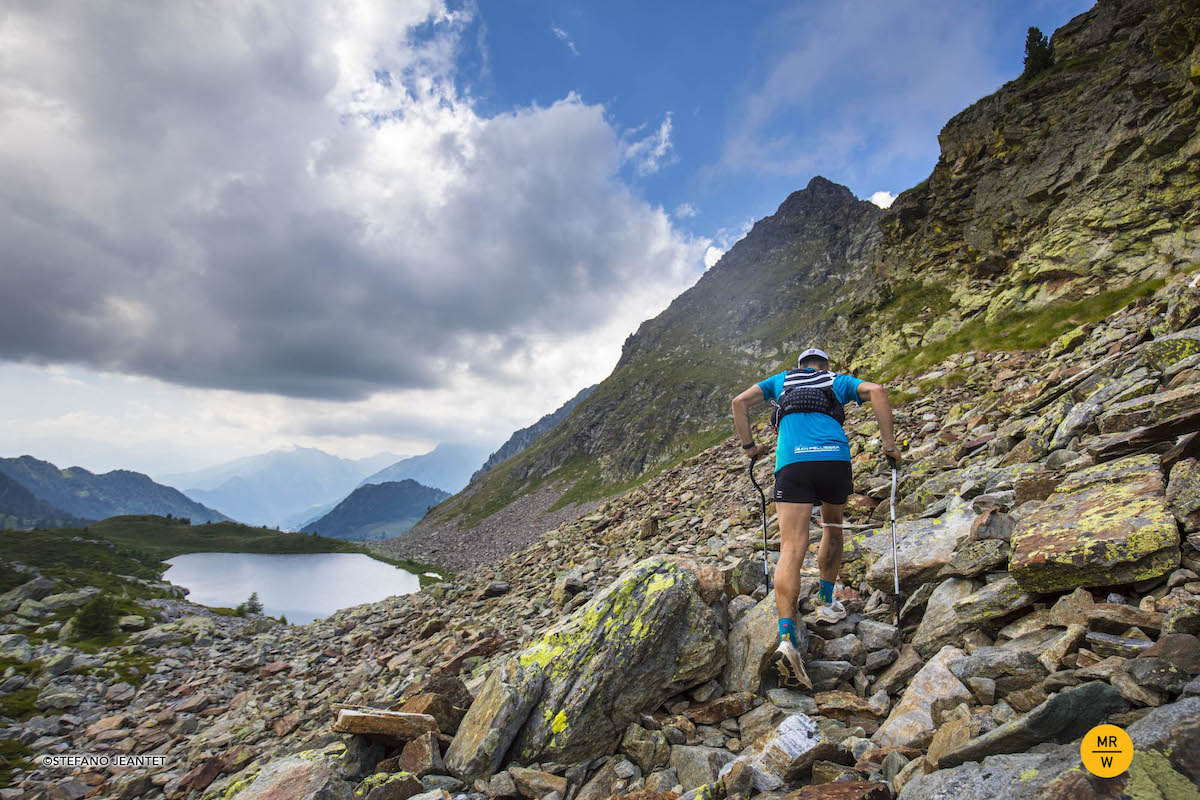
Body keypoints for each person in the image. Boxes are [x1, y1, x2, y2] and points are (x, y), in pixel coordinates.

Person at [731, 347, 900, 689]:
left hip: (793, 462)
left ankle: (786, 639)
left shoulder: (781, 381)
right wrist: (889, 445)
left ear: (799, 368)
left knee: (793, 547)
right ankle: (826, 601)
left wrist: (750, 447)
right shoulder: (837, 381)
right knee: (833, 529)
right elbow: (878, 392)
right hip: (833, 461)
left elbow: (739, 403)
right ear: (825, 365)